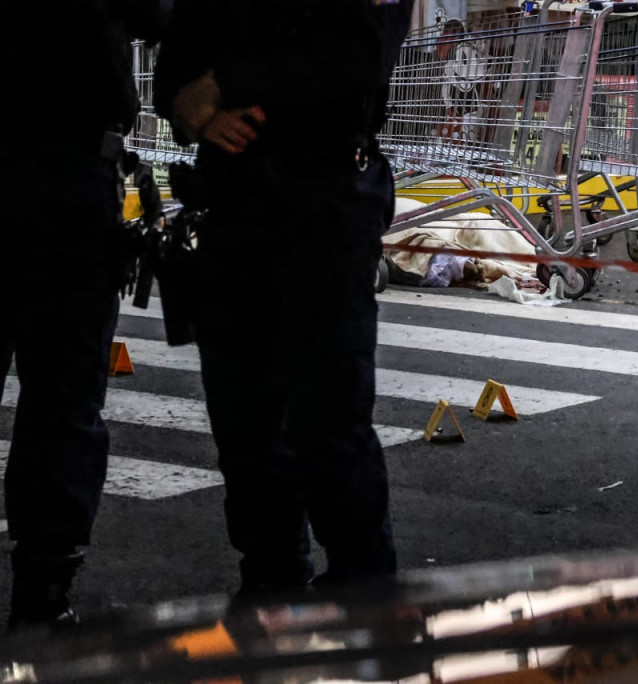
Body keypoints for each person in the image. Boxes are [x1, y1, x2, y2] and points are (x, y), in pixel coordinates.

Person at [153, 0, 414, 597]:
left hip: (325, 200)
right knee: (243, 418)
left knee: (328, 416)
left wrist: (222, 85)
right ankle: (270, 582)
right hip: (234, 199)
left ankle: (362, 594)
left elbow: (357, 56)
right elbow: (177, 69)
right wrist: (194, 113)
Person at [0, 1, 167, 628]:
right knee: (63, 396)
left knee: (64, 397)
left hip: (57, 168)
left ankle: (46, 581)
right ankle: (43, 590)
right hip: (67, 178)